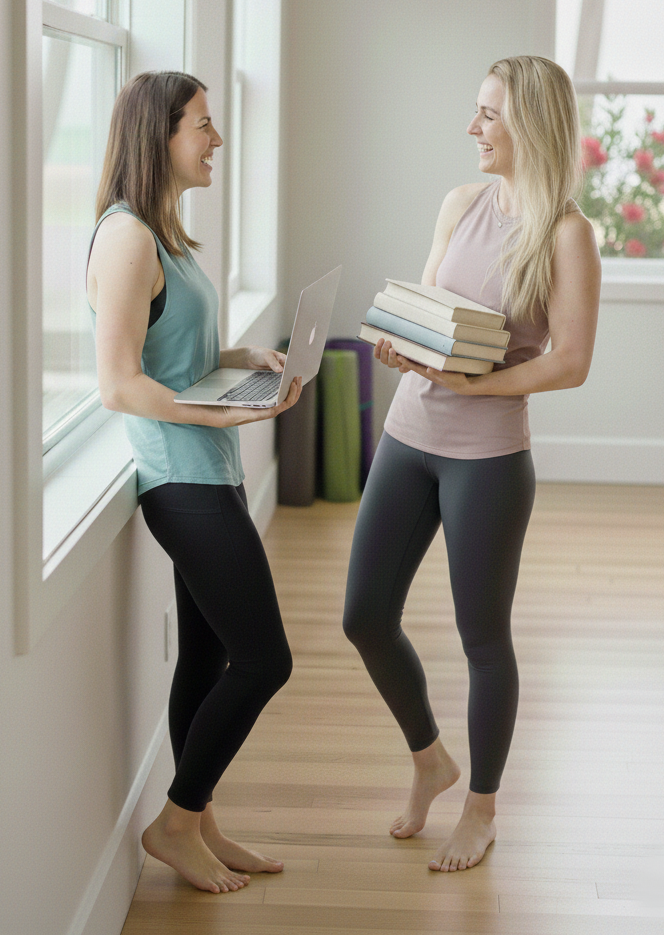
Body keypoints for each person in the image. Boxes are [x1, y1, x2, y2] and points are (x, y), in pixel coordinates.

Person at [343, 56, 601, 873]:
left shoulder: (567, 234)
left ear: (528, 123)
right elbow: (430, 313)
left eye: (488, 114)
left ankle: (481, 809)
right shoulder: (460, 203)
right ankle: (429, 758)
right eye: (476, 111)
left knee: (482, 637)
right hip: (409, 434)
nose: (473, 128)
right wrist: (405, 343)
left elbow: (571, 361)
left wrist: (477, 383)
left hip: (487, 459)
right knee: (363, 616)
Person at [87, 71, 302, 894]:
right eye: (204, 125)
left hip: (208, 469)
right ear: (161, 134)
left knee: (208, 657)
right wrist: (221, 417)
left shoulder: (165, 231)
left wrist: (245, 362)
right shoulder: (128, 237)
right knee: (266, 658)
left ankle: (201, 823)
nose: (216, 140)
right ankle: (174, 821)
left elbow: (173, 352)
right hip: (179, 479)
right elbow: (118, 383)